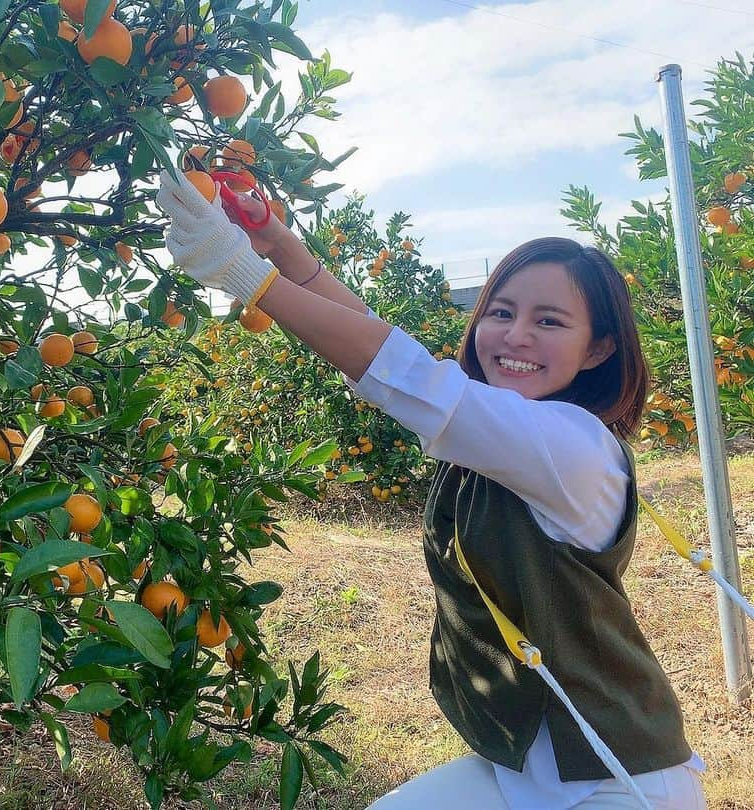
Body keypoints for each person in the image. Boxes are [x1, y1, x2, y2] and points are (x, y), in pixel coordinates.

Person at [155, 170, 707, 809]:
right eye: (501, 312)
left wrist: (251, 280)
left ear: (597, 350)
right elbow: (380, 346)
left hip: (616, 781)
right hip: (526, 764)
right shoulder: (495, 429)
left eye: (549, 321)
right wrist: (281, 250)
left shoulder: (569, 445)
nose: (516, 335)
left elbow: (405, 375)